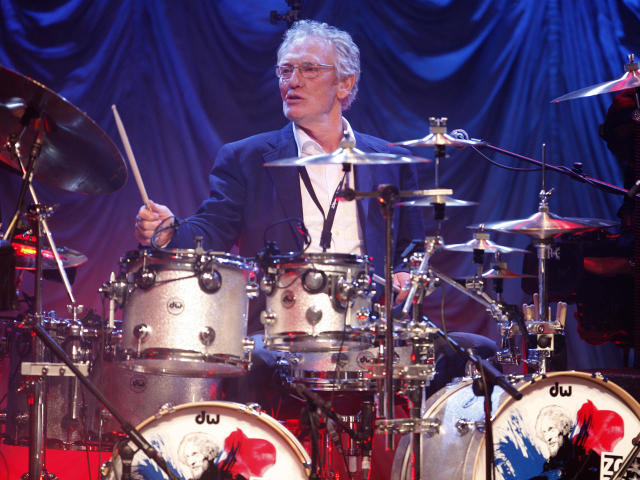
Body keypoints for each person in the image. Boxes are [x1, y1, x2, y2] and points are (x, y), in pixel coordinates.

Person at [132, 20, 495, 416]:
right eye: (285, 70)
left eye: (308, 69)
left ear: (344, 84)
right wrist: (170, 232)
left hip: (370, 325)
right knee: (248, 364)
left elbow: (411, 246)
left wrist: (406, 275)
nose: (293, 81)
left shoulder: (389, 160)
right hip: (282, 332)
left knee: (478, 352)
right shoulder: (247, 158)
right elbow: (212, 229)